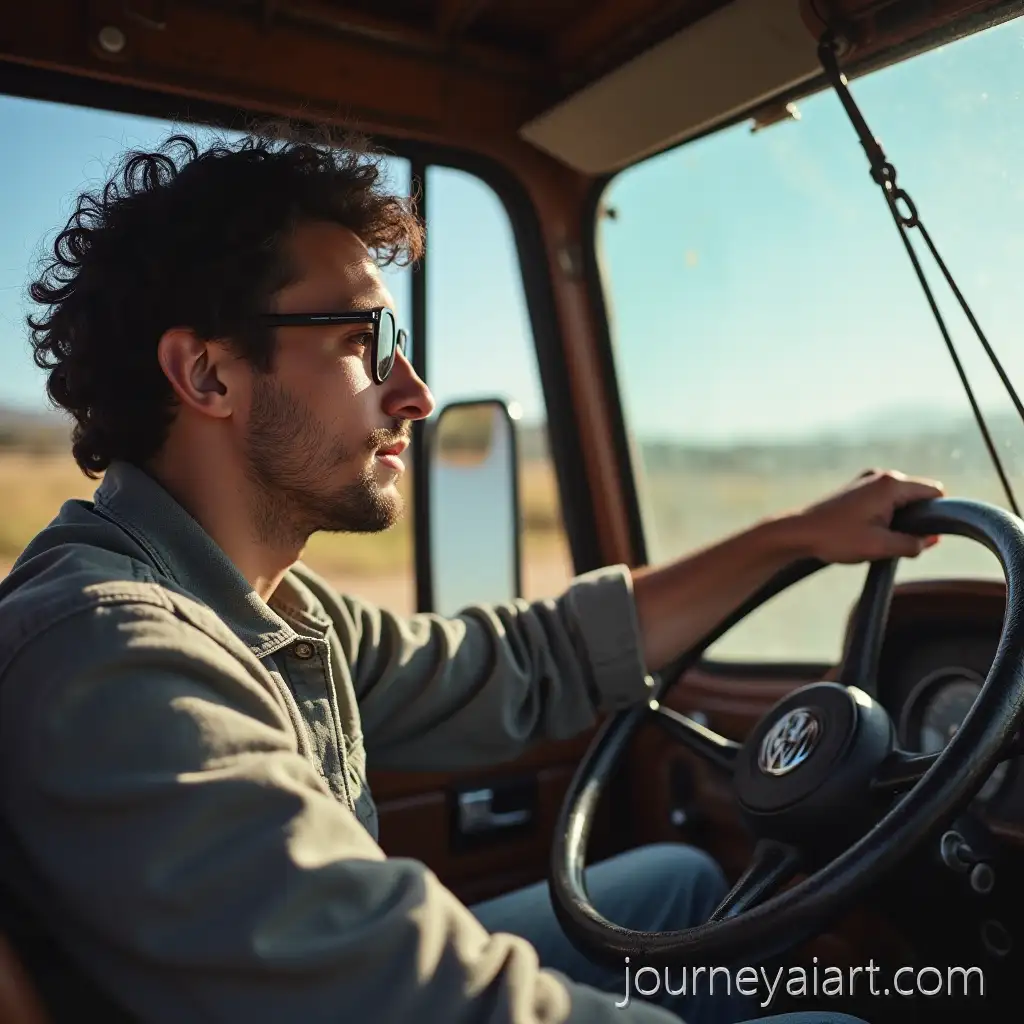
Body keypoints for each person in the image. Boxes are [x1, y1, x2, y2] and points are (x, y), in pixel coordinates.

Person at [0, 128, 942, 1024]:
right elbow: (406, 1004)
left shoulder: (265, 606)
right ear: (207, 376)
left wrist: (795, 536)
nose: (413, 393)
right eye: (361, 340)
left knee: (682, 886)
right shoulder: (111, 653)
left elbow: (533, 661)